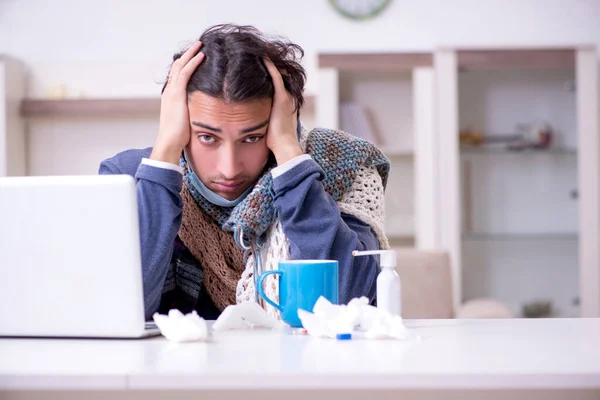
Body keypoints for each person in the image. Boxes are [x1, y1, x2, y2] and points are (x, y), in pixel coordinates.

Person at [99, 24, 390, 320]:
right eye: (207, 137)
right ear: (179, 122)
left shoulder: (339, 168)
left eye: (252, 138)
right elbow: (118, 312)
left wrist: (290, 155)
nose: (229, 168)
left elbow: (344, 305)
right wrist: (163, 157)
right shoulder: (129, 179)